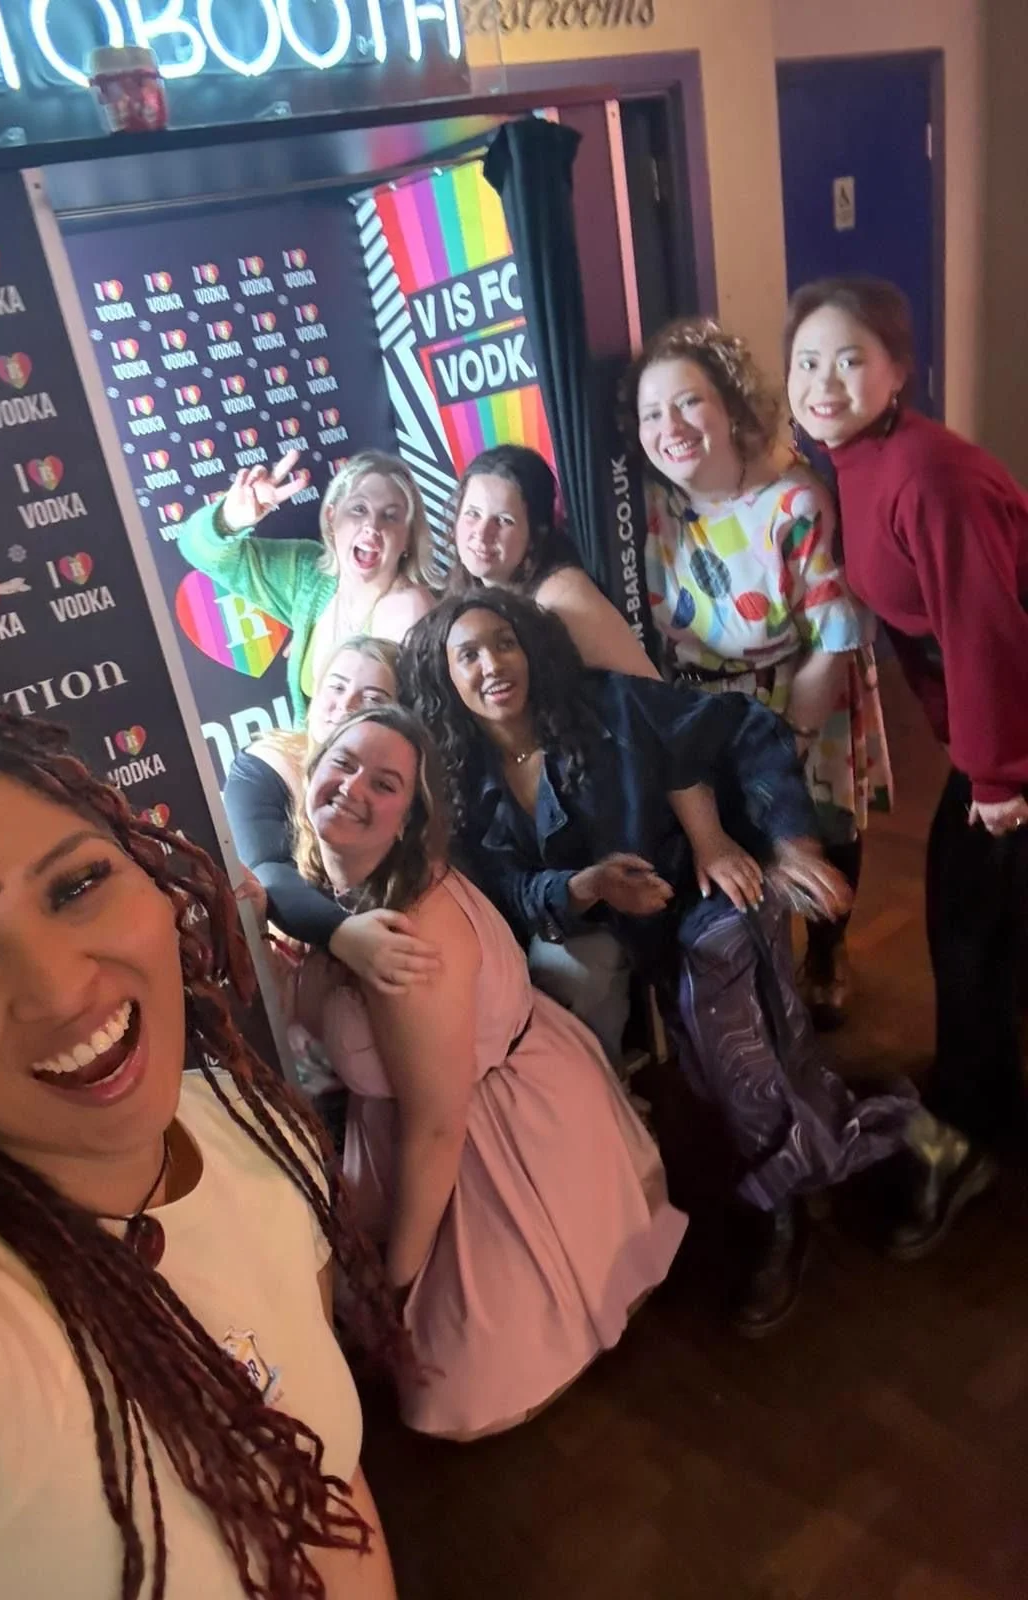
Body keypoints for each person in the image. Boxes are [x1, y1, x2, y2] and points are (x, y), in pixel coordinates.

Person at [0, 710, 400, 1600]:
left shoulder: (259, 1130)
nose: (58, 991)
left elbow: (326, 1474)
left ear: (155, 884)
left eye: (75, 885)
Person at [400, 590, 992, 1335]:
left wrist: (790, 845)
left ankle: (779, 1213)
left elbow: (747, 727)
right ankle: (930, 1142)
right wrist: (587, 886)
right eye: (469, 654)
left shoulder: (606, 704)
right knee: (760, 1068)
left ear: (529, 647)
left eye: (503, 642)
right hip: (645, 934)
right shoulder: (465, 782)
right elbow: (508, 891)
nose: (492, 664)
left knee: (736, 1058)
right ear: (445, 677)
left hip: (721, 896)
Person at [289, 703, 686, 1437]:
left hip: (486, 1139)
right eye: (342, 764)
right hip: (433, 1125)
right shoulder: (333, 889)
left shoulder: (413, 939)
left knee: (454, 1390)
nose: (352, 788)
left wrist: (395, 1289)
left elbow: (437, 1128)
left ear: (410, 823)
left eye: (384, 784)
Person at [786, 275, 1028, 1148]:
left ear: (899, 373)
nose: (824, 382)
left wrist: (995, 774)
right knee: (988, 915)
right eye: (806, 361)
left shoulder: (927, 474)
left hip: (1014, 724)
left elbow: (982, 629)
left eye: (851, 360)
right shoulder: (854, 459)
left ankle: (976, 1125)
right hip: (991, 720)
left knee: (967, 920)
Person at [632, 318, 892, 1030]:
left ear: (731, 407)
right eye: (652, 413)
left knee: (823, 825)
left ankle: (829, 951)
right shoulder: (647, 503)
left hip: (800, 683)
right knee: (734, 840)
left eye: (689, 402)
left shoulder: (794, 501)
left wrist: (790, 742)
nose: (670, 427)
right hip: (699, 700)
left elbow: (833, 637)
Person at [225, 634, 440, 996]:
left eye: (372, 699)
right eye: (336, 687)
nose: (345, 705)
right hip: (299, 973)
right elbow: (264, 868)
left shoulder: (417, 783)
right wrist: (343, 933)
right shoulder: (267, 763)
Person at [179, 448, 437, 723]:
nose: (372, 526)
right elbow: (198, 552)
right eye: (359, 509)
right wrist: (229, 520)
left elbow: (407, 730)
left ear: (408, 538)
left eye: (390, 516)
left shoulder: (409, 611)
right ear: (331, 517)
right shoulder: (308, 574)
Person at [446, 442, 659, 680]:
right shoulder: (471, 587)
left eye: (504, 520)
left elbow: (651, 692)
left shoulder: (561, 596)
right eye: (473, 514)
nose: (482, 533)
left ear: (536, 534)